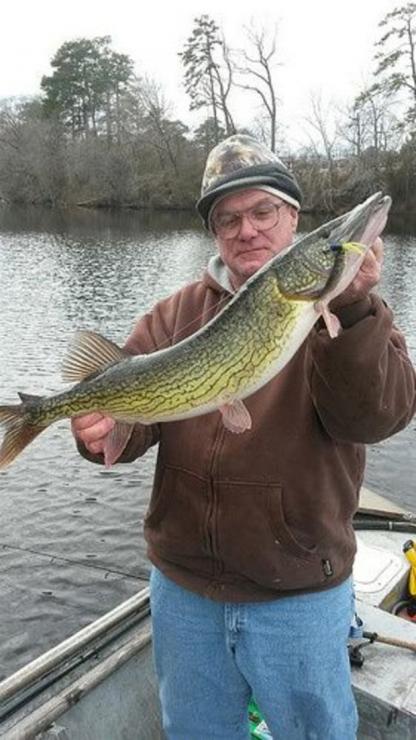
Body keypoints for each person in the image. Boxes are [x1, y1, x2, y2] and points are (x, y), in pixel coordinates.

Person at [72, 134, 416, 740]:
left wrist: (356, 308)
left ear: (292, 218)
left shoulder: (348, 315)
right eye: (228, 218)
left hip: (299, 592)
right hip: (184, 591)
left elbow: (376, 418)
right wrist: (101, 432)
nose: (247, 230)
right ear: (214, 233)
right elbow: (135, 417)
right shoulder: (174, 315)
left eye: (264, 212)